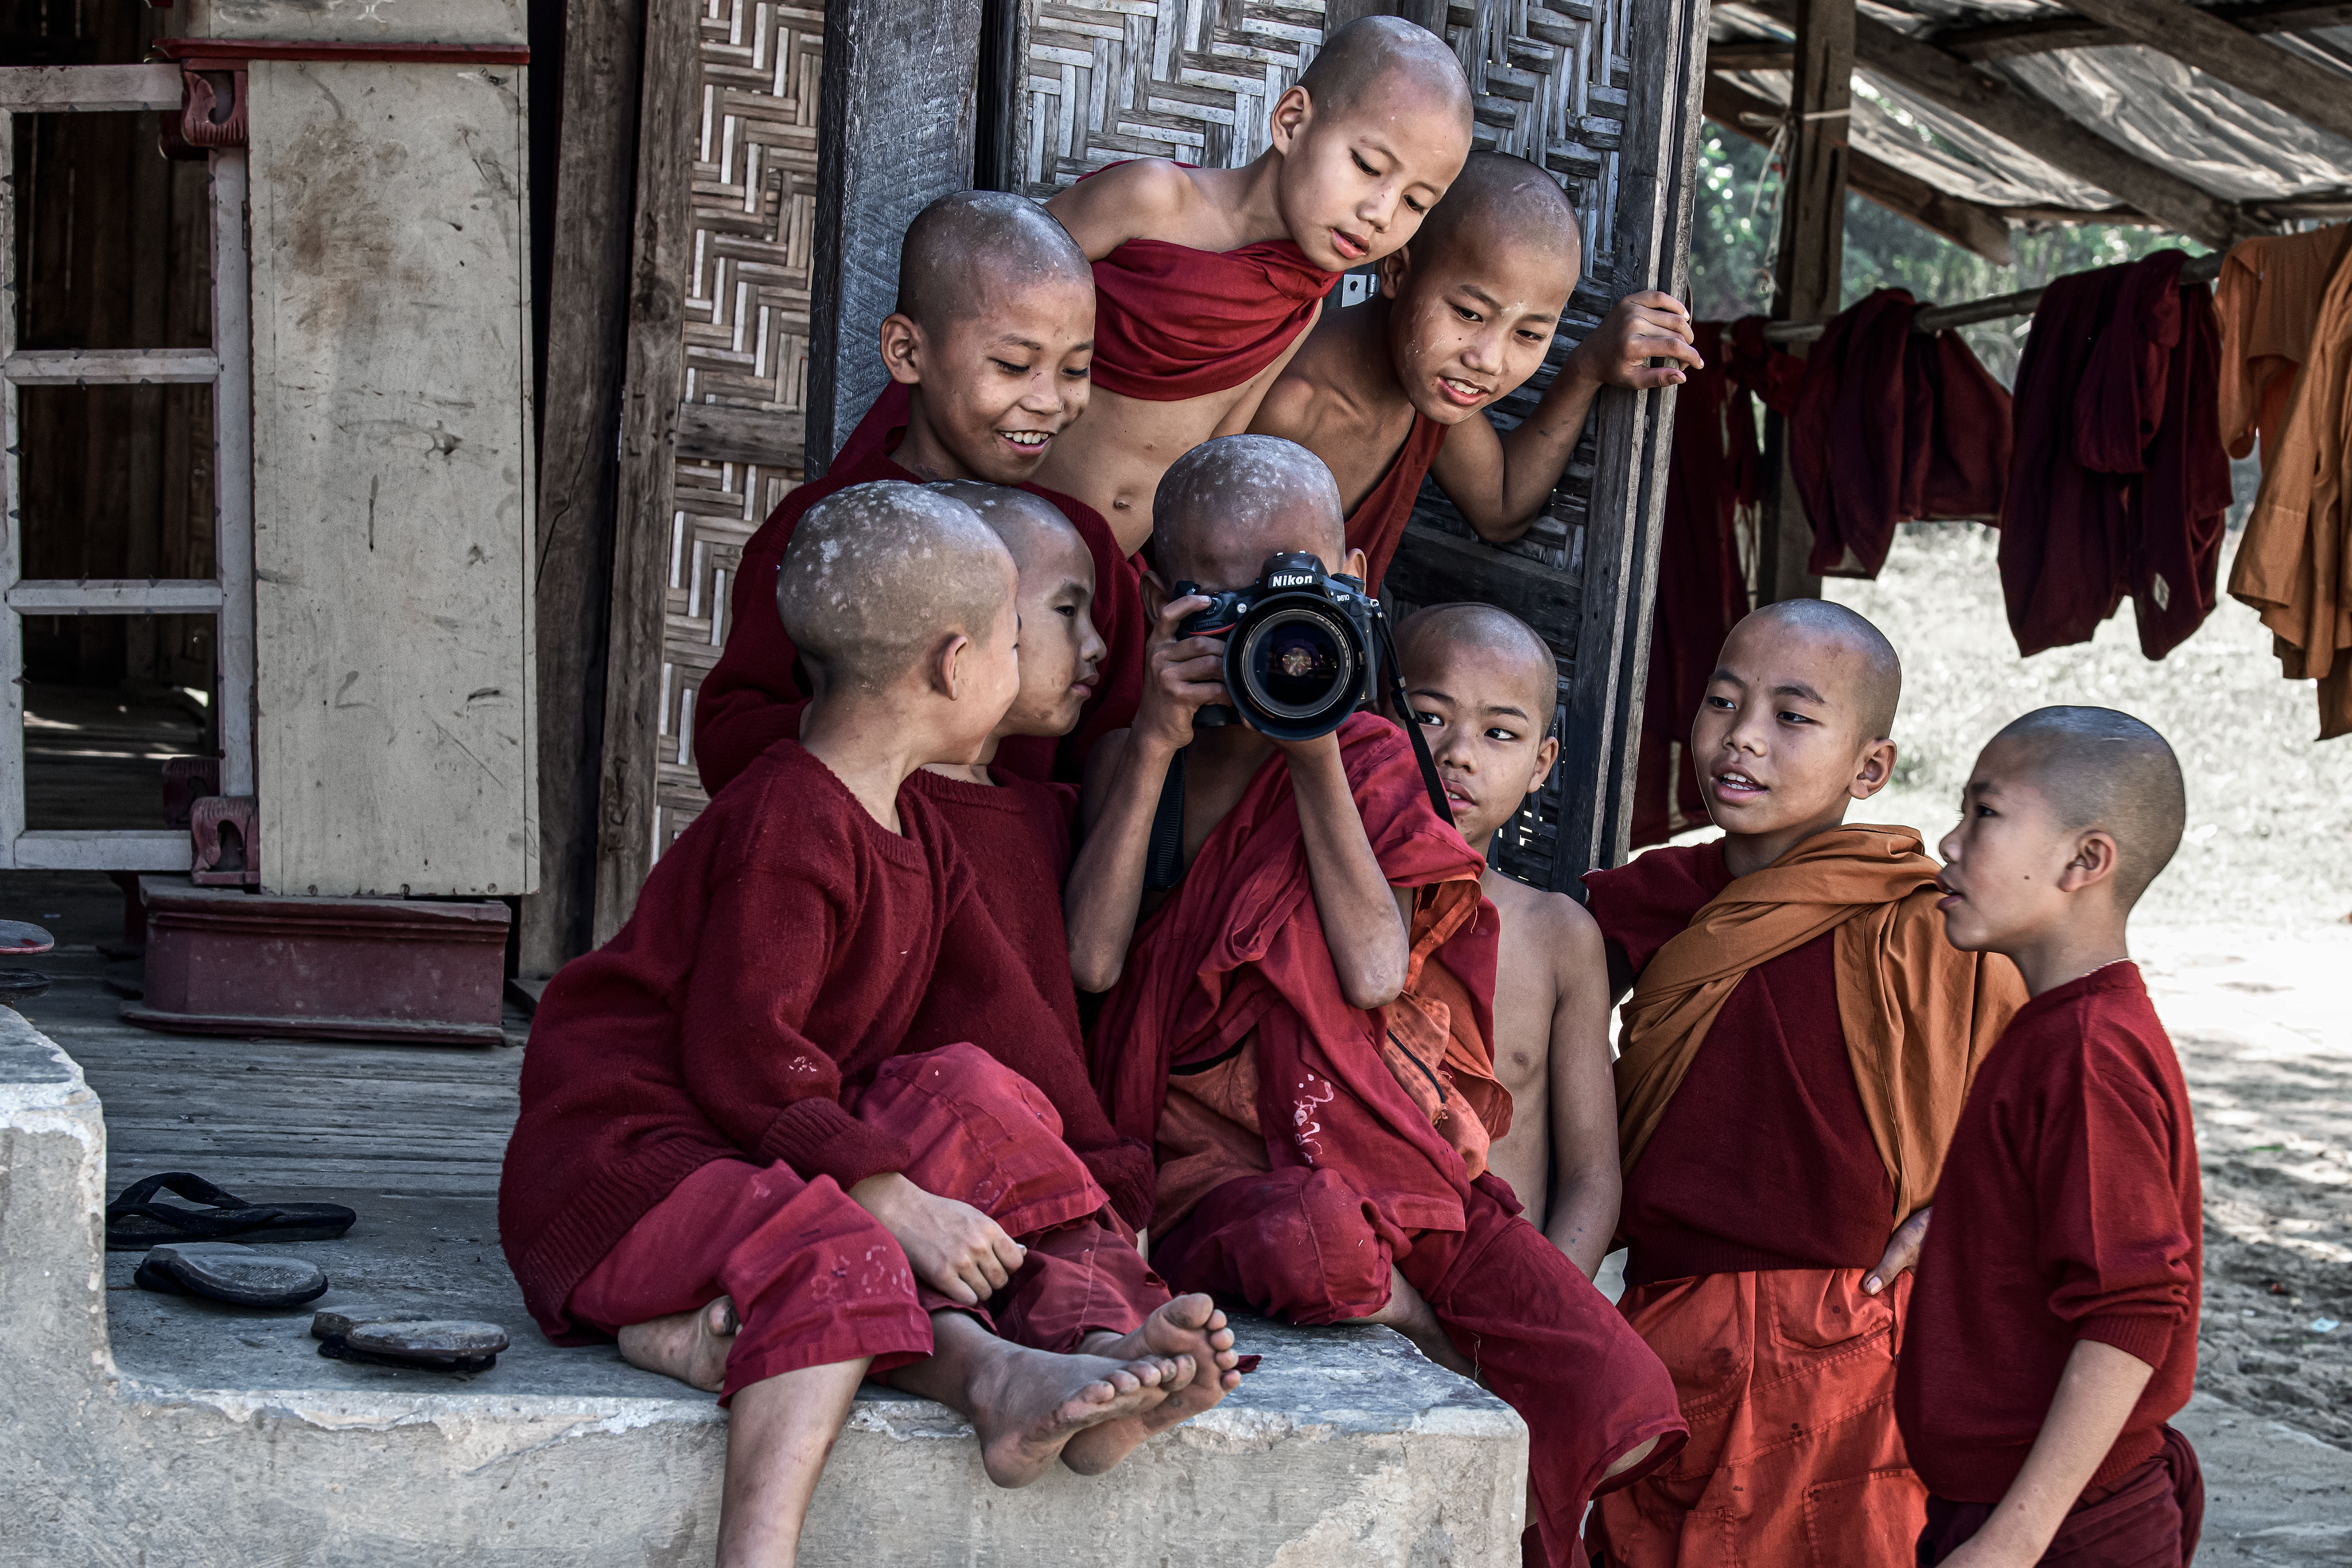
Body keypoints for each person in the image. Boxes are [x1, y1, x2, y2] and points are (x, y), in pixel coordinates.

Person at [500, 485, 1238, 1568]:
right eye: (1015, 633)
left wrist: (1085, 1194)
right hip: (633, 1161)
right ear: (956, 665)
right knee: (846, 1246)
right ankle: (762, 1548)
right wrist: (890, 1196)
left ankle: (1085, 1337)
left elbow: (994, 1056)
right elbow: (744, 1060)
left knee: (976, 1107)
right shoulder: (787, 820)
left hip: (768, 1151)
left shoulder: (916, 829)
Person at [1071, 435, 1686, 1567]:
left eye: (1287, 595)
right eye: (1217, 594)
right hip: (1225, 1167)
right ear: (1161, 597)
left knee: (1618, 1388)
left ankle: (1448, 1349)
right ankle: (1415, 1325)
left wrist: (1311, 748)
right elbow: (1096, 962)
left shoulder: (1369, 760)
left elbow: (1370, 969)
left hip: (1402, 1165)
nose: (1258, 622)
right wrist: (1157, 743)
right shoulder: (1133, 761)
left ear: (1350, 584)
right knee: (1318, 1249)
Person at [1582, 599, 2027, 1568]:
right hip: (1669, 1334)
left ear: (1870, 768)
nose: (1739, 739)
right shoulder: (1647, 903)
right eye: (1720, 702)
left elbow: (2037, 1102)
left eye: (1790, 716)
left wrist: (1961, 1209)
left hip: (1852, 1344)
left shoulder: (1921, 919)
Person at [693, 189, 1145, 796]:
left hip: (1021, 877)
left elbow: (1109, 749)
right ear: (907, 352)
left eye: (1075, 370)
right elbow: (730, 744)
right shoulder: (825, 528)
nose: (1049, 401)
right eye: (1014, 365)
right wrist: (871, 714)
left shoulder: (1078, 543)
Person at [1900, 707, 2202, 1567]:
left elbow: (2135, 1308)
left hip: (2061, 1528)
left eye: (1985, 814)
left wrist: (2013, 1538)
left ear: (2086, 859)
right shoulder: (2062, 1027)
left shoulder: (2085, 1048)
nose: (1951, 843)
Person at [1033, 16, 1473, 552]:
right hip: (1016, 516)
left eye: (1415, 202)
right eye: (1366, 165)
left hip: (1107, 572)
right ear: (1291, 122)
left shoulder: (1299, 307)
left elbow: (1217, 452)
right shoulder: (1150, 201)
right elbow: (1002, 286)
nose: (1381, 213)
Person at [1250, 150, 1702, 597]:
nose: (1489, 359)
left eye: (1528, 334)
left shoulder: (1424, 389)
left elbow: (1501, 507)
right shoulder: (1288, 406)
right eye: (1468, 314)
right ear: (1396, 272)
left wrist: (1586, 369)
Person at [1388, 601, 1620, 1277]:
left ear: (1542, 763)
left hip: (1503, 1296)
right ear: (1376, 724)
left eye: (1500, 733)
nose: (1458, 753)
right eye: (1428, 717)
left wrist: (1546, 1308)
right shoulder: (1320, 904)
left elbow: (1594, 1177)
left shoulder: (1558, 936)